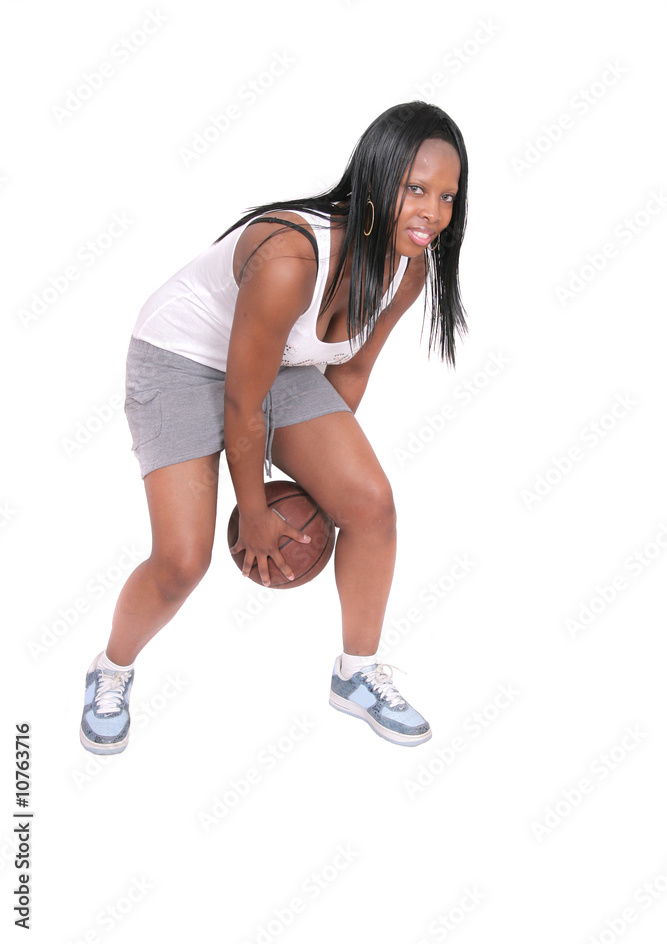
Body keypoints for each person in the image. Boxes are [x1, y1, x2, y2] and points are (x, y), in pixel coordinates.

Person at [79, 100, 468, 754]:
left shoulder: (409, 266)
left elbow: (350, 368)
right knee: (182, 563)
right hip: (179, 362)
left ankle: (357, 677)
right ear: (375, 180)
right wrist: (253, 507)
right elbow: (239, 402)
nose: (432, 211)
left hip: (279, 363)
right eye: (415, 188)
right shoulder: (291, 256)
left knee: (369, 504)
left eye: (447, 196)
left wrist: (323, 482)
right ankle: (109, 670)